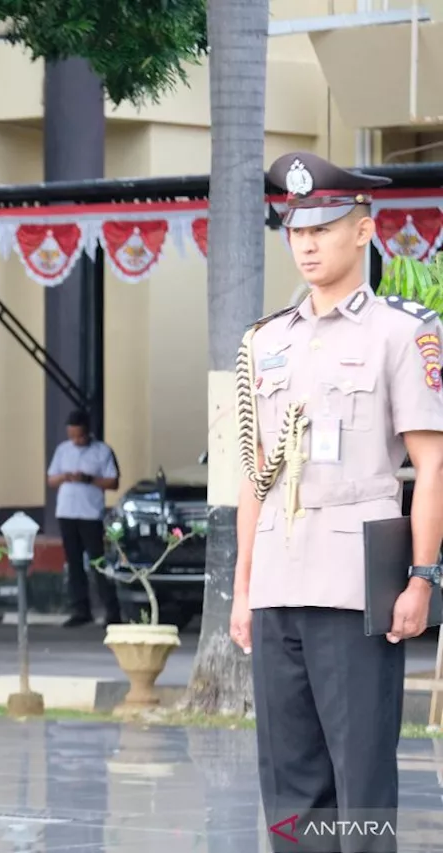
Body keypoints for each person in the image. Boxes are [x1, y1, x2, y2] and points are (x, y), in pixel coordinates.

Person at [234, 151, 443, 850]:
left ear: (364, 230)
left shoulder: (402, 331)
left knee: (359, 782)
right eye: (298, 231)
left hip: (356, 585)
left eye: (325, 228)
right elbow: (255, 472)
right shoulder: (266, 342)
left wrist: (422, 575)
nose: (310, 244)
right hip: (277, 580)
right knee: (288, 785)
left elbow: (432, 461)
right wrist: (241, 589)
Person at [47, 409, 120, 627]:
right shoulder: (62, 450)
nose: (76, 440)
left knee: (98, 562)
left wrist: (88, 479)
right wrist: (65, 477)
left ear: (88, 432)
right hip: (66, 512)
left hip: (90, 514)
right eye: (72, 436)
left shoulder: (102, 451)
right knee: (74, 563)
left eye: (79, 436)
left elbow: (113, 482)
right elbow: (51, 480)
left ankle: (112, 611)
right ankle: (80, 609)